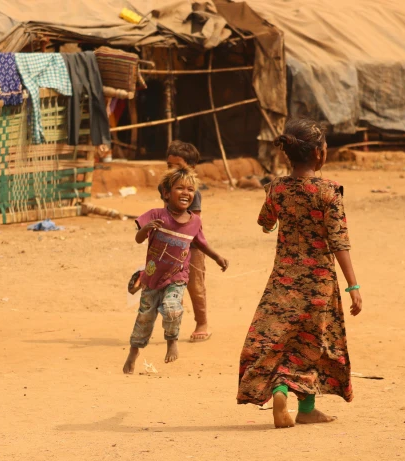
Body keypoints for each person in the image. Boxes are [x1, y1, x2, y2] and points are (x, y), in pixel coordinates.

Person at [236, 118, 362, 428]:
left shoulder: (277, 187)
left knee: (280, 338)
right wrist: (353, 286)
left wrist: (272, 223)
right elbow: (338, 241)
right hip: (319, 282)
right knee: (312, 342)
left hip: (283, 281)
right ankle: (305, 406)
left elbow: (265, 219)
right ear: (319, 154)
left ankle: (282, 391)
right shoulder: (329, 192)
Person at [124, 168, 229, 374]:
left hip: (177, 278)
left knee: (172, 308)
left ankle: (171, 341)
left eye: (190, 189)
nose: (185, 192)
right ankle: (134, 351)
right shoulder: (156, 215)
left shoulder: (194, 221)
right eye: (179, 188)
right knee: (145, 317)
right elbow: (138, 238)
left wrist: (217, 257)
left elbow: (201, 244)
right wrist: (146, 229)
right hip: (152, 278)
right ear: (166, 193)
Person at [158, 141, 212, 342]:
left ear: (191, 168)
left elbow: (194, 220)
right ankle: (174, 327)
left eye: (177, 166)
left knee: (195, 286)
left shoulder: (193, 192)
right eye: (169, 166)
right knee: (172, 284)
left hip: (192, 245)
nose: (172, 170)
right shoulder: (164, 186)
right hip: (171, 244)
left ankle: (202, 322)